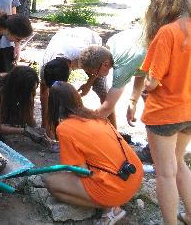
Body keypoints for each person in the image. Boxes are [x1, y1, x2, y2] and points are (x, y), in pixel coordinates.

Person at [44, 82, 143, 225]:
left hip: (116, 189)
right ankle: (112, 202)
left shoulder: (64, 128)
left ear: (53, 105)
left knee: (51, 183)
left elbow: (81, 171)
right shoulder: (96, 116)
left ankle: (110, 208)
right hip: (134, 176)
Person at [140, 0, 191, 225]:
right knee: (180, 162)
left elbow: (152, 81)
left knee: (165, 173)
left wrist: (143, 88)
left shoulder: (167, 33)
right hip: (189, 111)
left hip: (165, 113)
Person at [39, 27, 105, 131]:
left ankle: (110, 128)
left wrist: (88, 84)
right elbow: (44, 93)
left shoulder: (84, 56)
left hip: (89, 40)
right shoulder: (45, 65)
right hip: (63, 37)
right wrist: (45, 124)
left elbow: (100, 67)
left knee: (102, 90)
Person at [79, 28, 147, 129]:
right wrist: (133, 101)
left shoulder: (121, 66)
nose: (95, 76)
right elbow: (141, 69)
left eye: (95, 72)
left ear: (105, 64)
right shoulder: (112, 43)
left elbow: (106, 108)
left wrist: (79, 125)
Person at [0, 65, 40, 137]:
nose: (32, 93)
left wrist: (37, 130)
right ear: (21, 88)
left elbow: (29, 116)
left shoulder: (26, 88)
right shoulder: (0, 92)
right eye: (30, 91)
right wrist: (23, 131)